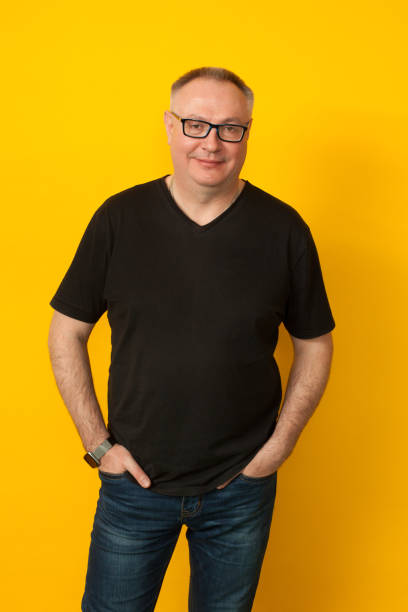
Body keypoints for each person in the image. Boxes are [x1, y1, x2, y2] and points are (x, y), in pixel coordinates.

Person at [48, 66, 335, 612]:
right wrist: (98, 444)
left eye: (230, 128)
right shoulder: (118, 218)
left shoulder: (284, 229)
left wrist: (277, 448)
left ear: (248, 134)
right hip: (135, 487)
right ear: (169, 126)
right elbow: (66, 332)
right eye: (195, 124)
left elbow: (315, 344)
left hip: (240, 490)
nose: (211, 142)